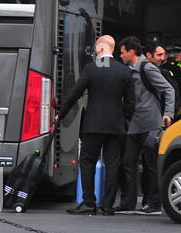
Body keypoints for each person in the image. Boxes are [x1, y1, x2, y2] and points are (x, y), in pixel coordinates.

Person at [58, 35, 137, 215]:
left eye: (95, 48)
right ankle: (108, 206)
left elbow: (74, 94)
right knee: (113, 164)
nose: (94, 51)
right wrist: (122, 117)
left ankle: (89, 202)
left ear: (101, 49)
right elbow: (131, 102)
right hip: (115, 125)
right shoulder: (124, 71)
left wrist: (60, 114)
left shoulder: (91, 69)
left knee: (87, 162)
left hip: (93, 124)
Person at [117, 36, 175, 215]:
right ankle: (128, 203)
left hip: (150, 123)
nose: (120, 56)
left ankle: (154, 203)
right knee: (128, 163)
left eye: (122, 52)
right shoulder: (129, 70)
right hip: (134, 123)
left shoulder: (147, 67)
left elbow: (168, 89)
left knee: (151, 165)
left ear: (131, 52)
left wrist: (168, 114)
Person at [149, 44, 181, 118]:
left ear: (167, 55)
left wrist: (179, 105)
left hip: (169, 104)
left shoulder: (174, 68)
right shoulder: (152, 67)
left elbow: (179, 87)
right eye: (159, 55)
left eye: (164, 54)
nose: (162, 57)